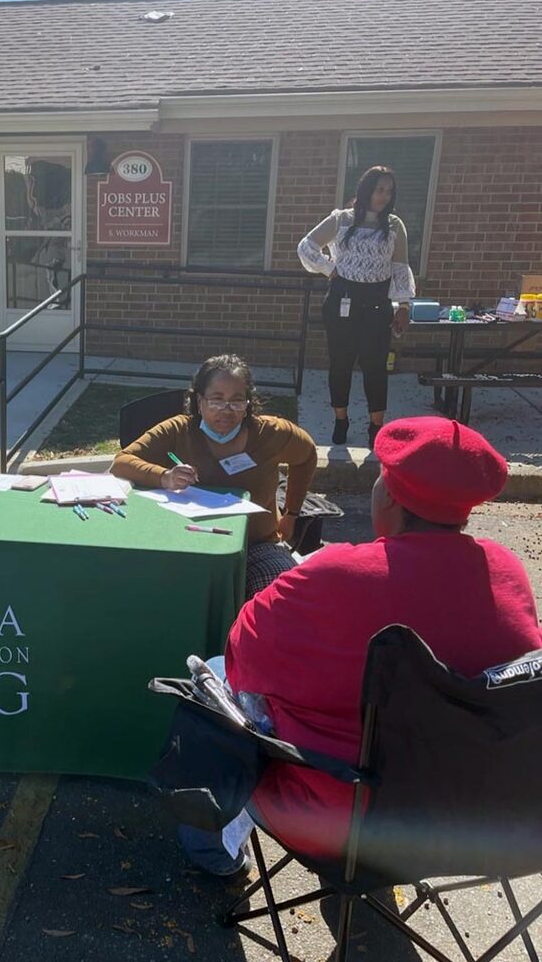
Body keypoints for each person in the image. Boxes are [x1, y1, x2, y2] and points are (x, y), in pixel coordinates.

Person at [221, 417, 542, 863]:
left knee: (213, 686)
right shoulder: (505, 570)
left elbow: (242, 659)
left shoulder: (334, 573)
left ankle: (212, 853)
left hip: (350, 821)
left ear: (389, 495)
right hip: (491, 817)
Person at [110, 354, 317, 597]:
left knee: (284, 598)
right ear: (199, 401)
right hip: (188, 545)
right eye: (216, 400)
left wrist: (291, 514)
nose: (226, 411)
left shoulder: (271, 433)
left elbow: (307, 456)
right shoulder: (178, 430)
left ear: (248, 403)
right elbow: (121, 463)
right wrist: (163, 476)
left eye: (237, 401)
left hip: (258, 545)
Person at [298, 165, 416, 450]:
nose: (384, 196)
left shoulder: (394, 225)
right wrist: (330, 269)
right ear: (366, 190)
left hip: (377, 304)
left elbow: (400, 267)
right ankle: (341, 419)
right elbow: (307, 246)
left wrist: (403, 305)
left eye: (389, 191)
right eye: (379, 190)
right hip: (342, 300)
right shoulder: (341, 220)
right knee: (341, 363)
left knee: (375, 366)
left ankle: (376, 425)